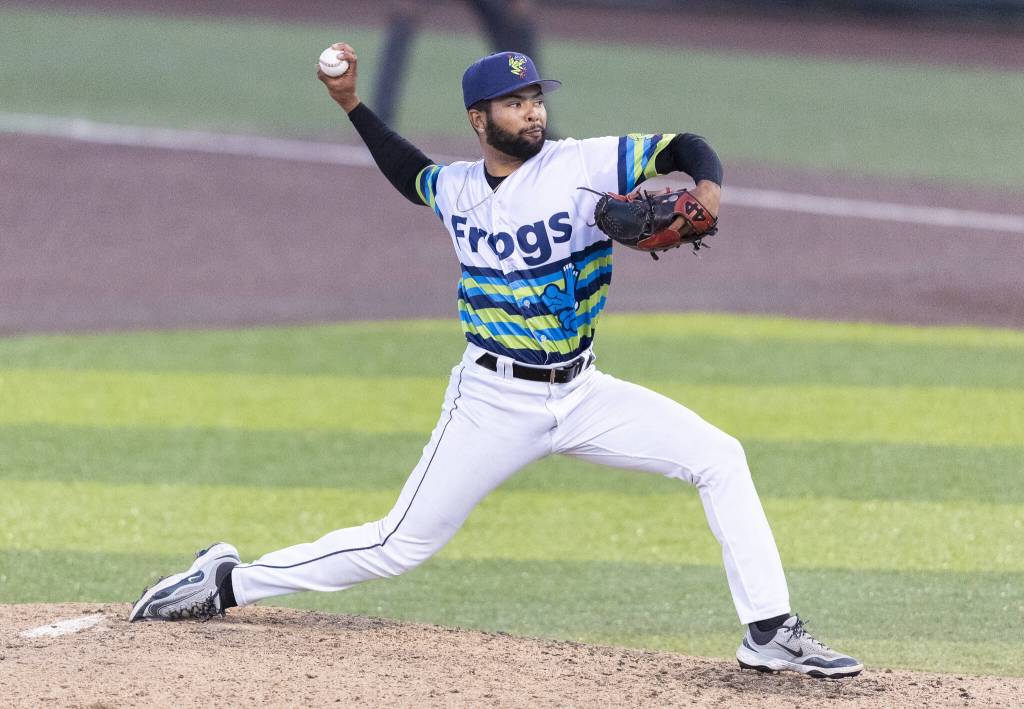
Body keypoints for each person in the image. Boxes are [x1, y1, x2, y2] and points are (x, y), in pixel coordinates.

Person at [129, 45, 863, 679]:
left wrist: (705, 194)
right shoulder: (455, 189)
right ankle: (227, 580)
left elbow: (688, 146)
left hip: (583, 392)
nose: (533, 112)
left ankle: (769, 632)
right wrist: (351, 103)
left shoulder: (583, 163)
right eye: (514, 103)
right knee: (397, 544)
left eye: (536, 97)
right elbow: (407, 170)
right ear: (480, 120)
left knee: (719, 455)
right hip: (491, 401)